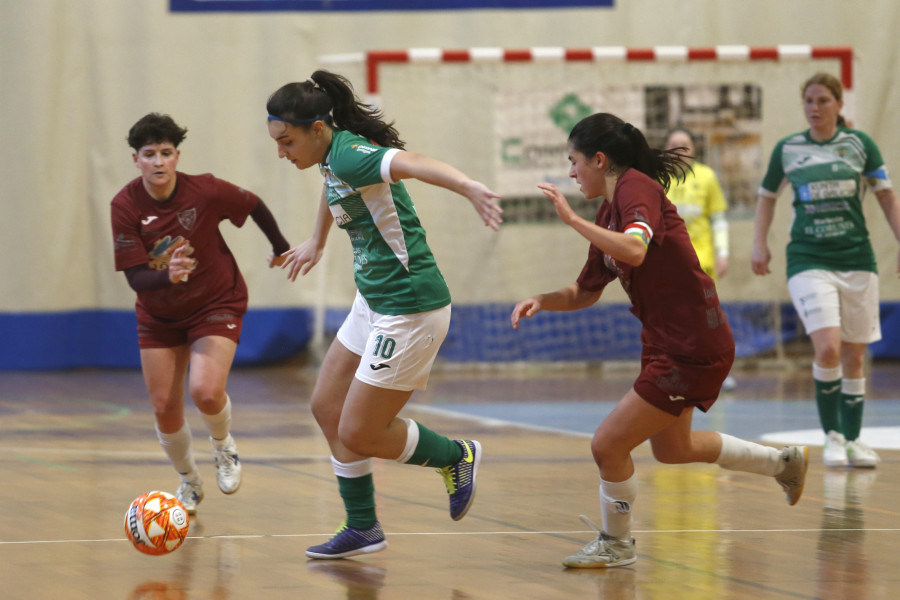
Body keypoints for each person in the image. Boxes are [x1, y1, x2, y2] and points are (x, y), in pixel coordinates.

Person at [510, 112, 808, 569]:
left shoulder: (636, 187)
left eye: (574, 162)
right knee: (674, 450)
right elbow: (586, 292)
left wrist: (570, 220)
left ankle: (617, 543)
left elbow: (634, 249)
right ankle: (782, 463)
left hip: (693, 343)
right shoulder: (609, 209)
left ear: (599, 159)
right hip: (667, 341)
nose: (571, 173)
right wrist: (541, 300)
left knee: (607, 444)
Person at [266, 71, 503, 560]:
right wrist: (317, 239)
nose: (282, 152)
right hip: (373, 301)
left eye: (286, 142)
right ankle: (362, 527)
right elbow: (333, 188)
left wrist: (467, 186)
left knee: (360, 431)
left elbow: (410, 163)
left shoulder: (351, 152)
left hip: (409, 307)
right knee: (326, 407)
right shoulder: (331, 158)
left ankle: (456, 456)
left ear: (317, 128)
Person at [111, 113, 291, 514]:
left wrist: (280, 247)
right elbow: (136, 279)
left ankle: (224, 446)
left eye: (166, 153)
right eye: (149, 154)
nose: (158, 162)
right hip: (158, 316)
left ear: (177, 156)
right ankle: (189, 479)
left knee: (206, 392)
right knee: (164, 407)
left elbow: (254, 204)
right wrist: (169, 276)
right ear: (135, 159)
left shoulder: (205, 191)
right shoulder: (124, 205)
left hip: (215, 302)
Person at [751, 72, 900, 468]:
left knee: (854, 356)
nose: (815, 108)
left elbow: (886, 196)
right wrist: (758, 242)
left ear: (838, 105)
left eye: (823, 101)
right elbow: (766, 198)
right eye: (809, 102)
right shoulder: (789, 149)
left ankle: (853, 440)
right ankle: (832, 436)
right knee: (829, 347)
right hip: (808, 259)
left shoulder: (859, 145)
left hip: (857, 260)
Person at [664, 127, 736, 390]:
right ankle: (674, 370)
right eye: (674, 144)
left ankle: (718, 370)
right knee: (671, 320)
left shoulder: (706, 177)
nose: (680, 149)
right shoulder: (657, 180)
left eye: (685, 144)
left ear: (694, 149)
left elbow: (718, 219)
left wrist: (723, 253)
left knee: (707, 318)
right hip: (668, 265)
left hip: (701, 262)